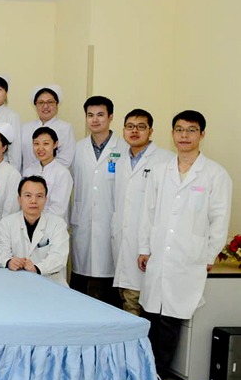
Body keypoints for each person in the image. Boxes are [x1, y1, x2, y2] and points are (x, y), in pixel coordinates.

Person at [138, 110, 232, 380]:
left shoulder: (215, 174)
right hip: (158, 252)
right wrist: (144, 247)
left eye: (191, 130)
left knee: (172, 317)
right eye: (179, 129)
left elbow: (219, 219)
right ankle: (143, 366)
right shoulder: (160, 171)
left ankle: (158, 371)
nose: (184, 136)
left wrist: (210, 255)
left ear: (202, 134)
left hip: (190, 256)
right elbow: (148, 213)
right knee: (151, 311)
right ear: (172, 134)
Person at [112, 109, 173, 316]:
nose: (134, 131)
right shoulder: (120, 160)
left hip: (148, 244)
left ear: (151, 131)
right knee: (126, 298)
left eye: (141, 127)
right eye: (130, 126)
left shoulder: (165, 160)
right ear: (123, 130)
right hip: (123, 239)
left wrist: (148, 245)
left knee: (142, 303)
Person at [70, 96, 122, 306]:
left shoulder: (123, 149)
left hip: (111, 222)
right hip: (83, 221)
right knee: (80, 287)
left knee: (109, 288)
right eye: (90, 115)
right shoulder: (78, 148)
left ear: (111, 117)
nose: (95, 120)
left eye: (100, 115)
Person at [0, 176, 70, 286]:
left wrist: (37, 268)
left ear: (45, 199)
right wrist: (9, 262)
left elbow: (59, 257)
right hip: (16, 281)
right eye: (28, 196)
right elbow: (1, 253)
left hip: (50, 282)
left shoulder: (57, 224)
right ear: (19, 199)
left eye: (39, 196)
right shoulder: (7, 223)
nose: (33, 201)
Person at [21, 127, 72, 222]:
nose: (40, 148)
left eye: (46, 144)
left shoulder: (62, 173)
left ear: (55, 144)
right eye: (36, 144)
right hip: (28, 223)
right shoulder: (28, 172)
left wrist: (35, 220)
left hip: (53, 225)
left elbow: (58, 209)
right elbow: (23, 202)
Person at [20, 85, 74, 170]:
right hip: (26, 175)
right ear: (35, 105)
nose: (45, 106)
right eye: (41, 102)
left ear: (57, 104)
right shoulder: (25, 128)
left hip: (54, 176)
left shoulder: (65, 128)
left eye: (50, 102)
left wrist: (44, 173)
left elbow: (65, 159)